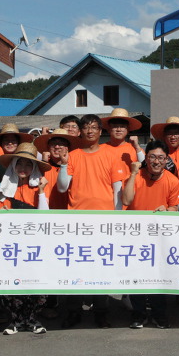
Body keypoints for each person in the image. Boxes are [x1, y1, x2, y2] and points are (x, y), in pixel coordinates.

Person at [56, 113, 122, 328]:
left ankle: (101, 312)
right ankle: (73, 311)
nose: (90, 131)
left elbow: (117, 189)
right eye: (86, 127)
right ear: (80, 131)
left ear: (100, 131)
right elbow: (62, 187)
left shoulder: (111, 155)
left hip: (103, 221)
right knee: (76, 267)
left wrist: (117, 218)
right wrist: (63, 164)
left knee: (100, 267)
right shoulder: (73, 156)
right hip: (77, 222)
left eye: (94, 127)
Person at [121, 140, 179, 329]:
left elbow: (175, 208)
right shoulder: (135, 176)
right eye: (152, 157)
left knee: (158, 276)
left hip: (159, 237)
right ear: (145, 158)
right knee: (136, 275)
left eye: (161, 158)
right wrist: (133, 173)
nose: (156, 161)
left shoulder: (173, 181)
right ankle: (138, 314)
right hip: (134, 235)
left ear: (167, 159)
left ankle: (159, 314)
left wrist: (167, 211)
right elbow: (126, 199)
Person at [0, 143, 51, 334]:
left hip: (35, 245)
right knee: (12, 283)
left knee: (37, 283)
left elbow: (45, 217)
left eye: (28, 165)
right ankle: (15, 321)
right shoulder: (3, 189)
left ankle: (33, 319)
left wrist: (41, 191)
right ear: (13, 165)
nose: (23, 168)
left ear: (34, 168)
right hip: (11, 246)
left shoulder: (40, 187)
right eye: (19, 163)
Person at [33, 129, 83, 209]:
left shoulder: (76, 166)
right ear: (48, 147)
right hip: (46, 211)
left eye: (61, 144)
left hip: (70, 212)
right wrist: (43, 163)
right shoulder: (40, 165)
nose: (56, 147)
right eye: (53, 144)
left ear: (68, 148)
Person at [101, 107, 144, 183]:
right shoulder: (100, 149)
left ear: (128, 130)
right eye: (115, 126)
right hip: (106, 189)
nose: (119, 129)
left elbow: (146, 166)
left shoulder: (135, 149)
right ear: (108, 129)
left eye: (122, 126)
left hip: (130, 188)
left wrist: (137, 147)